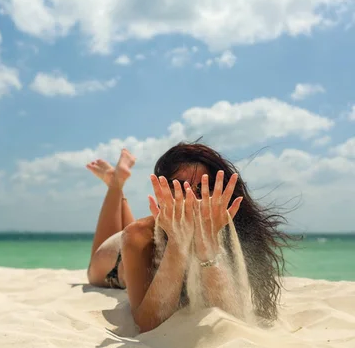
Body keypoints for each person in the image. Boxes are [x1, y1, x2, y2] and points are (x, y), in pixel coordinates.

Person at [87, 142, 289, 333]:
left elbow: (230, 317)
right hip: (116, 260)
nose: (192, 199)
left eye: (202, 189)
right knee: (97, 266)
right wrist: (177, 244)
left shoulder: (227, 227)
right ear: (161, 194)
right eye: (181, 189)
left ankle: (117, 182)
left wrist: (208, 250)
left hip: (154, 233)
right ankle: (116, 185)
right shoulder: (138, 235)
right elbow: (147, 326)